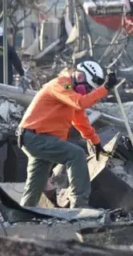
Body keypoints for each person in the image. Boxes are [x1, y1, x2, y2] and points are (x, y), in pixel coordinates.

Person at [18, 60, 117, 208]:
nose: (88, 92)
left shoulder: (71, 97)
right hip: (35, 137)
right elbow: (81, 103)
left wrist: (96, 144)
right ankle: (79, 206)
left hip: (40, 140)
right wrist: (105, 88)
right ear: (80, 77)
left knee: (35, 183)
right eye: (89, 88)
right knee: (76, 154)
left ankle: (22, 214)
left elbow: (81, 122)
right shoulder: (62, 84)